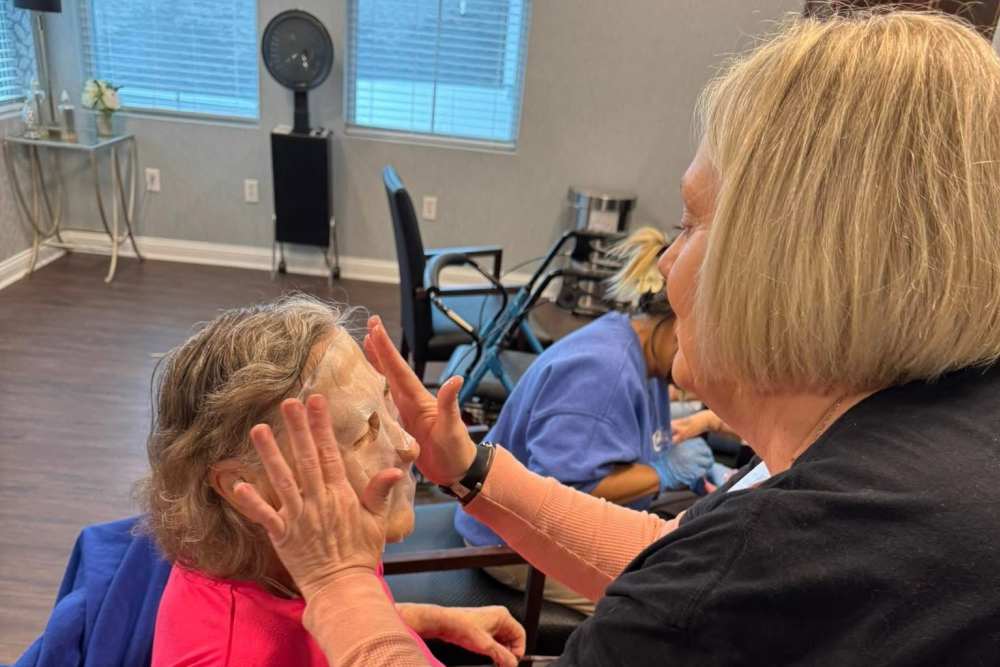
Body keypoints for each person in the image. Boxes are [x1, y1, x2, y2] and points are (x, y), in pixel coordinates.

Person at [229, 10, 1000, 666]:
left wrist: (338, 584)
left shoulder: (787, 558)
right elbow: (675, 566)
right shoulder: (937, 448)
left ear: (794, 260)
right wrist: (472, 470)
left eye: (694, 222)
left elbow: (694, 592)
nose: (665, 263)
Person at [144, 295, 526, 667]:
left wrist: (430, 620)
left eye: (387, 405)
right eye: (363, 433)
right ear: (245, 485)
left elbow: (316, 616)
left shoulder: (322, 547)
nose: (409, 446)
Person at [454, 227, 718, 615]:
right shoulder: (604, 373)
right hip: (512, 547)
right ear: (677, 324)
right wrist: (664, 471)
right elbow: (556, 494)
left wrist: (689, 437)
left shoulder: (636, 347)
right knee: (666, 614)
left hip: (532, 525)